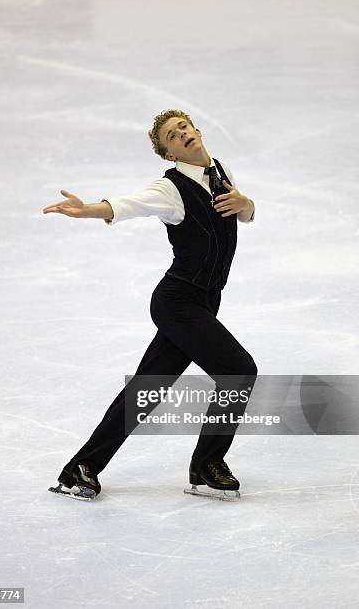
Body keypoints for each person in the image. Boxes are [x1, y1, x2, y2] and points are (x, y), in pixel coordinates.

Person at [43, 108, 258, 501]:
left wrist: (246, 204)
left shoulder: (217, 172)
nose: (182, 135)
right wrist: (90, 209)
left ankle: (81, 468)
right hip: (179, 303)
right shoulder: (170, 189)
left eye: (183, 128)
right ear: (169, 155)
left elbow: (243, 214)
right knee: (239, 370)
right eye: (172, 137)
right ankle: (208, 462)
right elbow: (129, 204)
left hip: (205, 301)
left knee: (147, 389)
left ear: (197, 129)